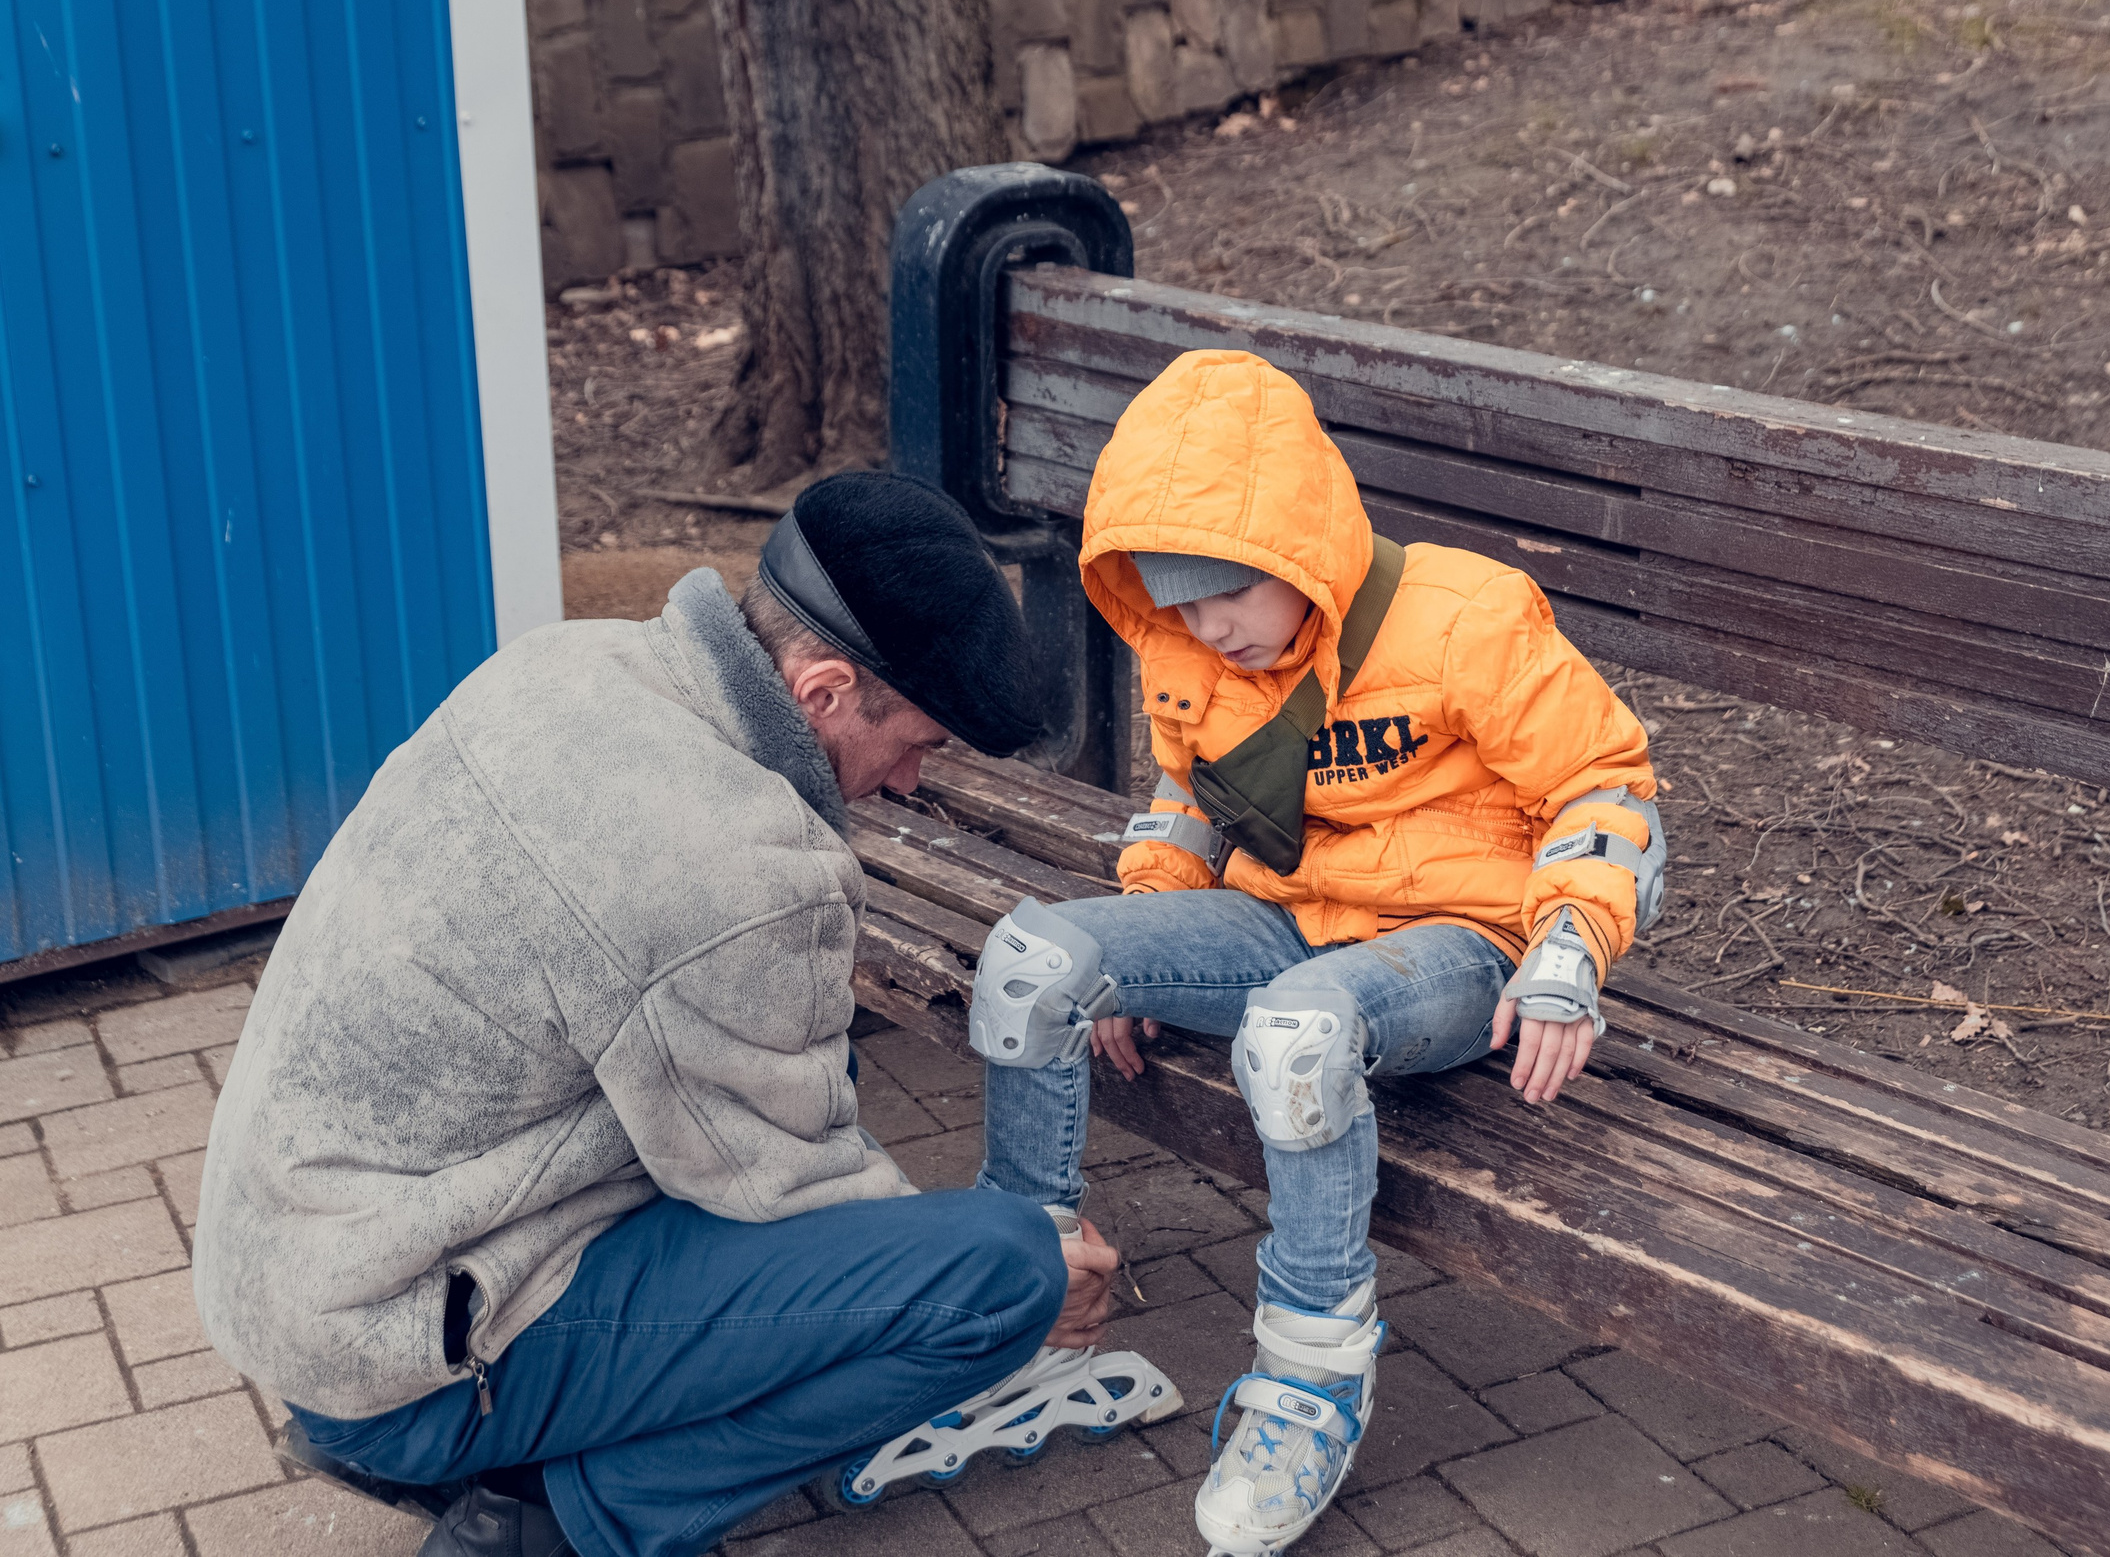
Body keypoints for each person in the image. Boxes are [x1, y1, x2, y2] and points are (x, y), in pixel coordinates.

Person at [193, 474, 1174, 1557]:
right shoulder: (745, 864)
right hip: (401, 1349)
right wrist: (1037, 1264)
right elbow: (795, 1197)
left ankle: (501, 1448)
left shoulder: (565, 664)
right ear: (823, 693)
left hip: (297, 1275)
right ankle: (555, 1519)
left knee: (829, 1107)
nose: (906, 785)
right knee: (992, 1278)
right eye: (921, 745)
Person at [970, 349, 1663, 1555]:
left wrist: (1568, 954)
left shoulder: (1467, 617)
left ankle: (1308, 1384)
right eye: (1175, 599)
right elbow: (1184, 806)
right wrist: (1136, 946)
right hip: (1280, 915)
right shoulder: (1187, 651)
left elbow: (1604, 787)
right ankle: (1027, 1310)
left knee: (1295, 1037)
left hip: (1456, 946)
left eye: (1230, 589)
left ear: (1302, 553)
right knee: (1034, 962)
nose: (1207, 625)